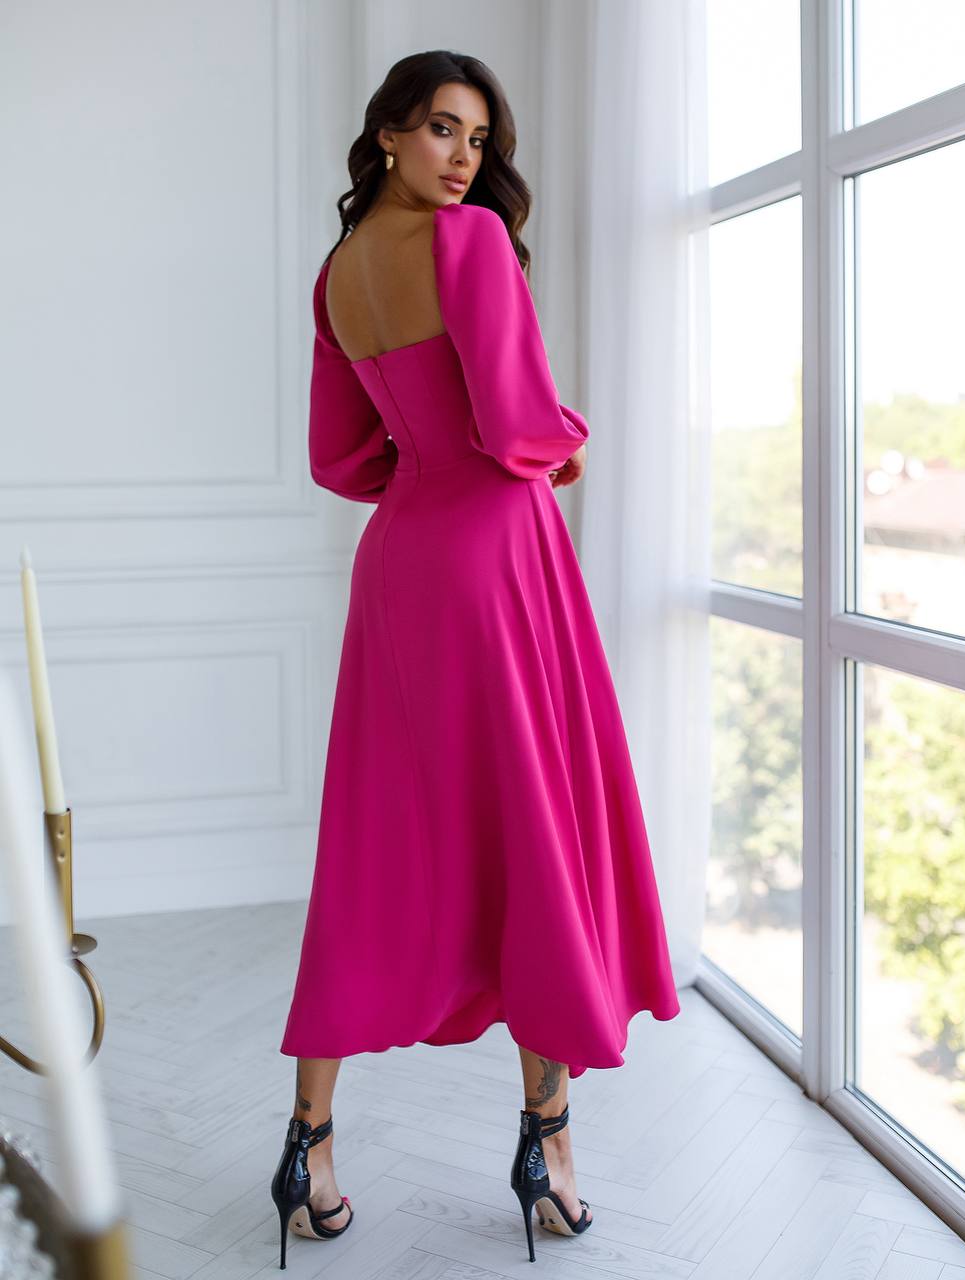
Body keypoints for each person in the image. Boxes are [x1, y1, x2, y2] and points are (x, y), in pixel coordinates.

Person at [270, 49, 681, 1269]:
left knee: (374, 842)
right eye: (442, 130)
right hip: (498, 561)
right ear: (389, 132)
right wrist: (569, 448)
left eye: (478, 139)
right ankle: (547, 1148)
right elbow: (517, 425)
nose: (465, 158)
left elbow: (343, 461)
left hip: (400, 564)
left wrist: (434, 469)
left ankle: (308, 1148)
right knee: (530, 834)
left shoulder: (336, 275)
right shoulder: (472, 247)